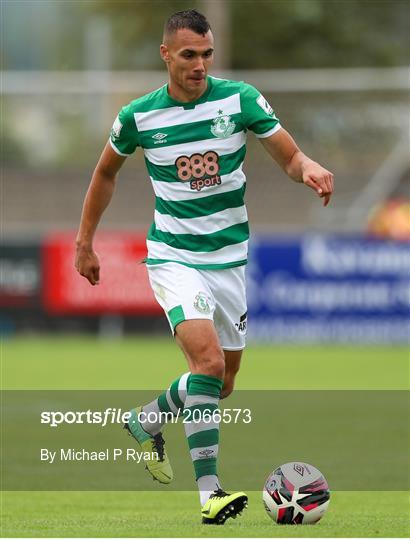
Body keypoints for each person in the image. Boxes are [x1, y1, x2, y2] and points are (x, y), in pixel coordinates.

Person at [75, 9, 334, 525]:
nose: (199, 64)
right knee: (209, 366)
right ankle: (211, 494)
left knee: (222, 380)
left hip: (229, 260)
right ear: (166, 55)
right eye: (189, 54)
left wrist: (308, 167)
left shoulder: (239, 99)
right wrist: (85, 242)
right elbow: (105, 173)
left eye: (207, 54)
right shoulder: (138, 117)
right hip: (174, 256)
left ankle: (146, 421)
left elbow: (289, 156)